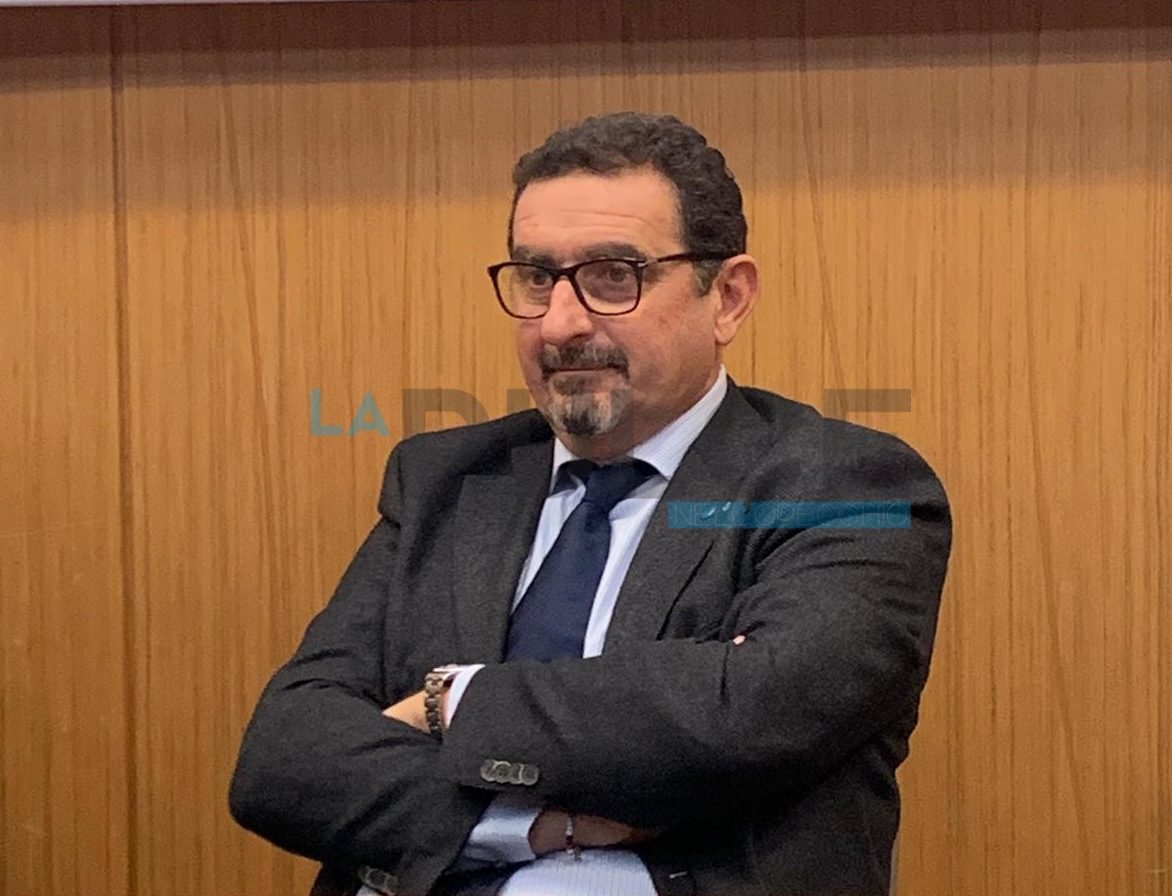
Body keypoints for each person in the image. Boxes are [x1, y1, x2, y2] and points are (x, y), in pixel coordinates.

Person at [230, 111, 952, 896]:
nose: (561, 324)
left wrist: (449, 702)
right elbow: (284, 757)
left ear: (728, 297)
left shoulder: (846, 486)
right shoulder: (444, 480)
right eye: (537, 278)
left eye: (614, 275)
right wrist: (532, 827)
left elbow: (745, 714)